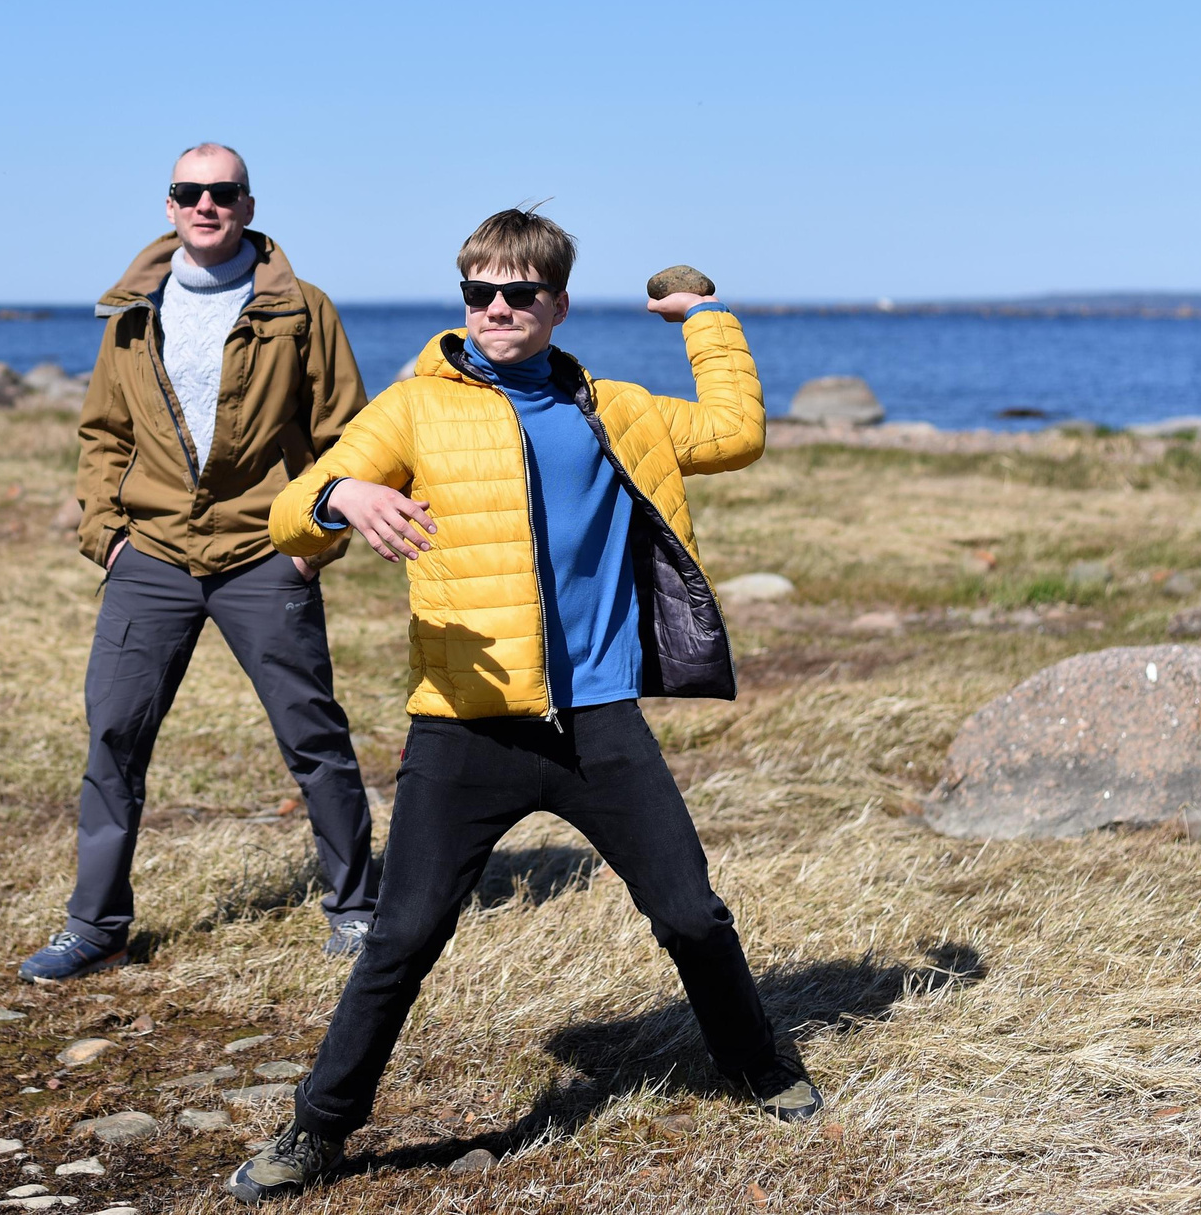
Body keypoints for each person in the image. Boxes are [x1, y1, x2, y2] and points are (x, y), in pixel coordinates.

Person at [227, 206, 820, 1202]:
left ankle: (758, 1065)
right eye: (479, 292)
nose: (497, 309)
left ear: (555, 302)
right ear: (463, 295)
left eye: (519, 293)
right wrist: (344, 499)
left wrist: (704, 317)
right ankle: (316, 1130)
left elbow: (736, 432)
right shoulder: (415, 407)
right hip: (464, 725)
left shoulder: (615, 407)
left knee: (689, 911)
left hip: (598, 721)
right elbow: (293, 508)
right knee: (402, 937)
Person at [21, 143, 380, 983]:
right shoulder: (134, 313)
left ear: (248, 206)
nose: (206, 204)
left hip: (264, 550)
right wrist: (105, 534)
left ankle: (358, 909)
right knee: (113, 735)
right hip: (149, 554)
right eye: (190, 192)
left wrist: (313, 542)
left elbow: (347, 439)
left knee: (313, 736)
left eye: (223, 192)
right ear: (171, 204)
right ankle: (96, 925)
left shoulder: (303, 309)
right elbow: (104, 434)